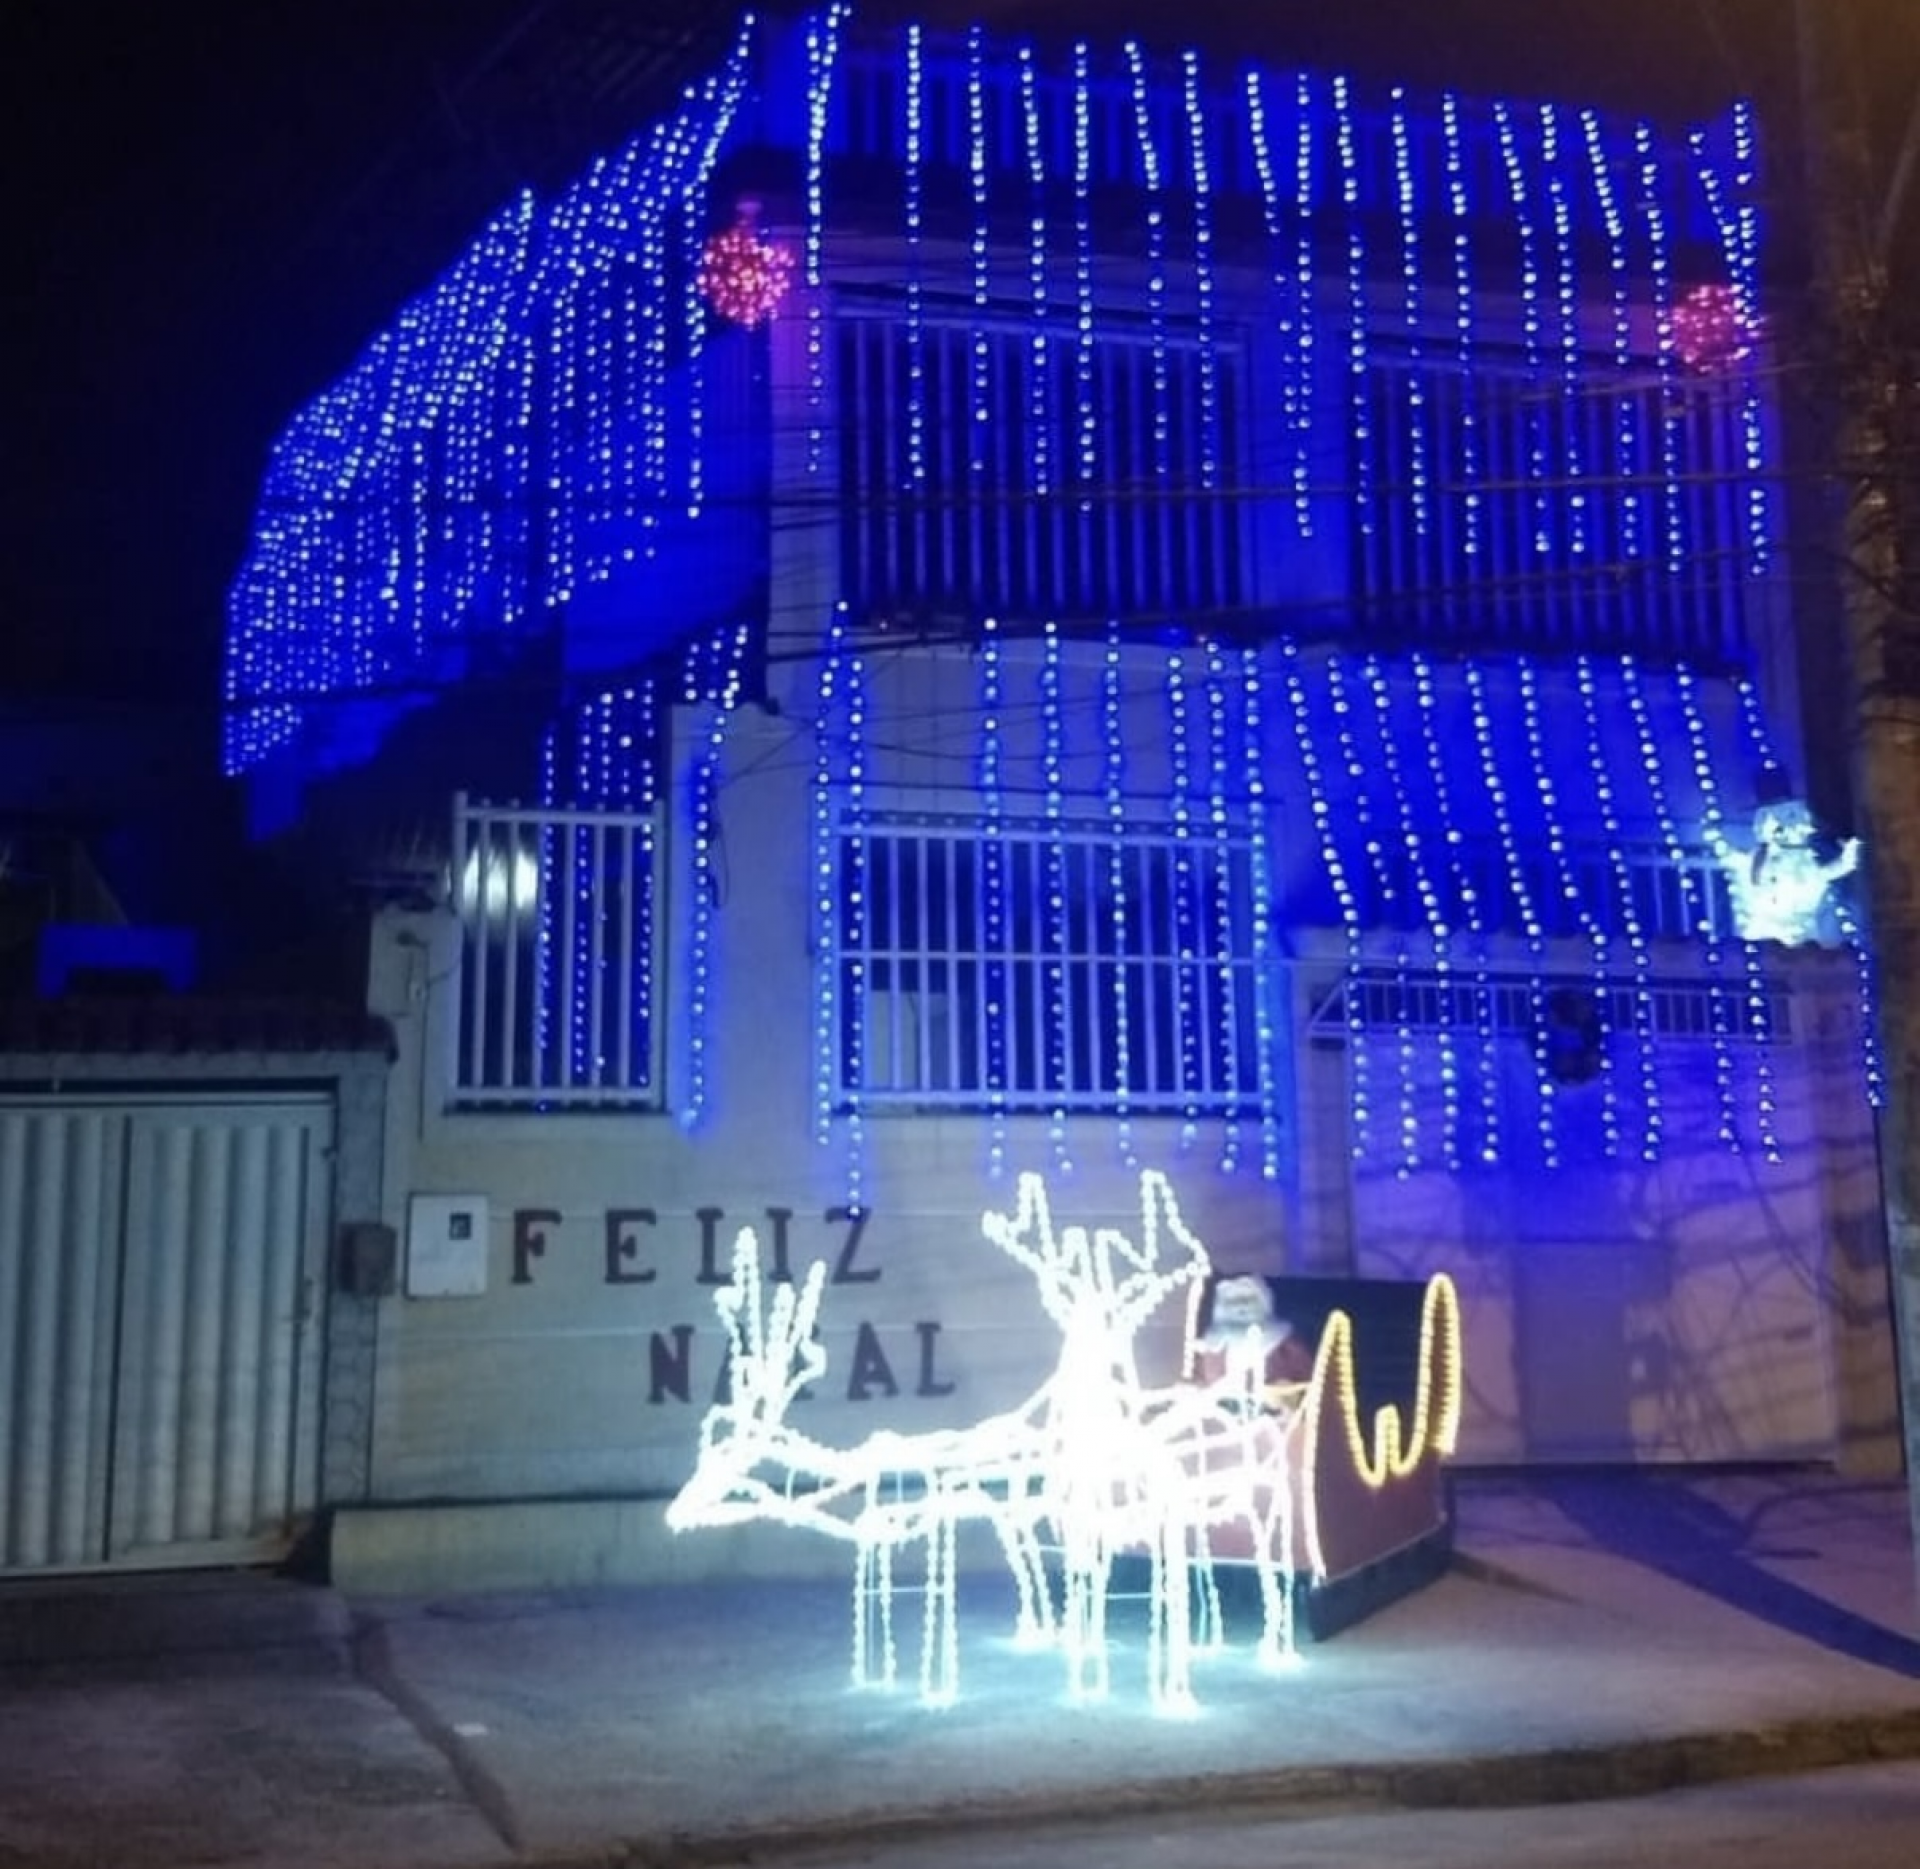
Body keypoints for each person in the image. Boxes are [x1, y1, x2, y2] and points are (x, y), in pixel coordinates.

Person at [1190, 1274, 1315, 1409]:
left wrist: (1286, 1391)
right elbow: (1198, 1379)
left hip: (1272, 1415)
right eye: (1233, 1301)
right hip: (1221, 1416)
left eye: (1247, 1300)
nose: (1241, 1307)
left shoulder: (1284, 1343)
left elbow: (1309, 1379)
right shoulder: (1212, 1346)